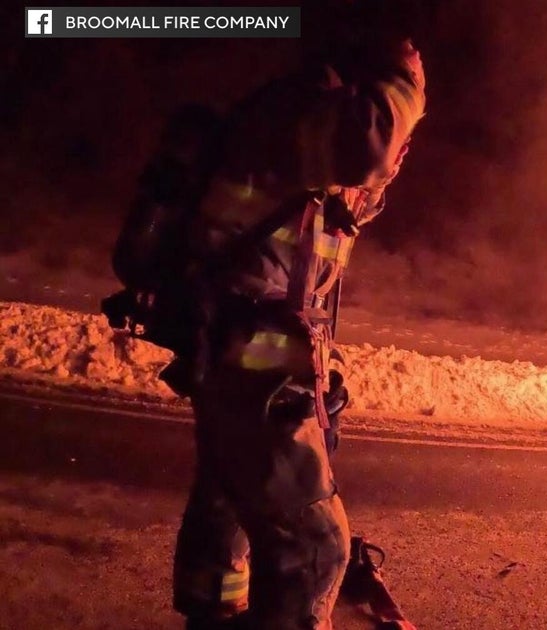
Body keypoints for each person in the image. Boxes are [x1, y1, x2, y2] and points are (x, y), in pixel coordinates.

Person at [163, 2, 427, 628]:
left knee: (229, 504)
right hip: (251, 366)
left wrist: (320, 368)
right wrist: (407, 83)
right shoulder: (296, 117)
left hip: (240, 353)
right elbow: (368, 145)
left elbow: (302, 271)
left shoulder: (302, 147)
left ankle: (212, 615)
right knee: (315, 548)